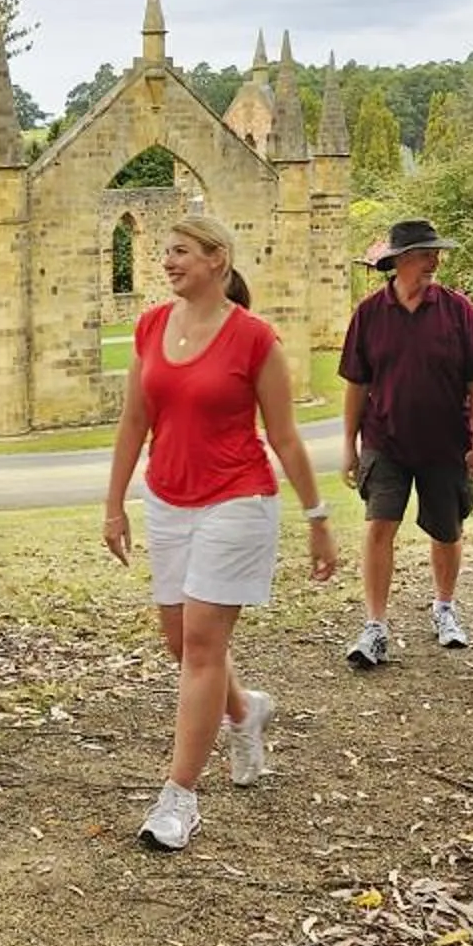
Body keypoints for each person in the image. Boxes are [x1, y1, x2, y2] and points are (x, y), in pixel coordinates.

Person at [102, 214, 337, 852]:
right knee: (180, 642)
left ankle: (178, 797)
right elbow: (133, 423)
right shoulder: (151, 326)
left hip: (238, 499)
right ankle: (243, 709)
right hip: (167, 498)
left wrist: (317, 519)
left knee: (203, 644)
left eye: (180, 251)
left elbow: (284, 437)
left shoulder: (255, 339)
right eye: (165, 251)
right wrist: (114, 504)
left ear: (217, 260)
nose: (167, 261)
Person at [334, 217, 473, 668]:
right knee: (379, 526)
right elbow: (356, 385)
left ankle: (444, 608)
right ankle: (375, 626)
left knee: (447, 530)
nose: (435, 262)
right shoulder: (369, 313)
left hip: (446, 443)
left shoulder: (458, 310)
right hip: (384, 440)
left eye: (436, 254)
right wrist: (348, 445)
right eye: (427, 254)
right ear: (401, 260)